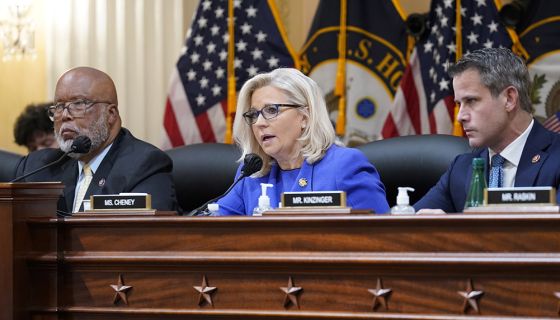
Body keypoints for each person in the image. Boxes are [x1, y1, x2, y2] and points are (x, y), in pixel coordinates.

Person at [216, 68, 389, 215]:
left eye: (271, 110)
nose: (259, 123)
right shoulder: (252, 174)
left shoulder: (345, 166)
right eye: (253, 115)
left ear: (304, 117)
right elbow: (213, 231)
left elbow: (385, 237)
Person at [14, 67, 179, 214]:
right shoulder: (36, 168)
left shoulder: (145, 165)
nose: (64, 115)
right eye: (58, 107)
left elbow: (149, 237)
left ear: (111, 114)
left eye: (78, 104)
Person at [414, 47, 560, 213]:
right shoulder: (460, 169)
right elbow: (403, 228)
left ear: (509, 99)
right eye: (458, 104)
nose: (460, 117)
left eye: (471, 101)